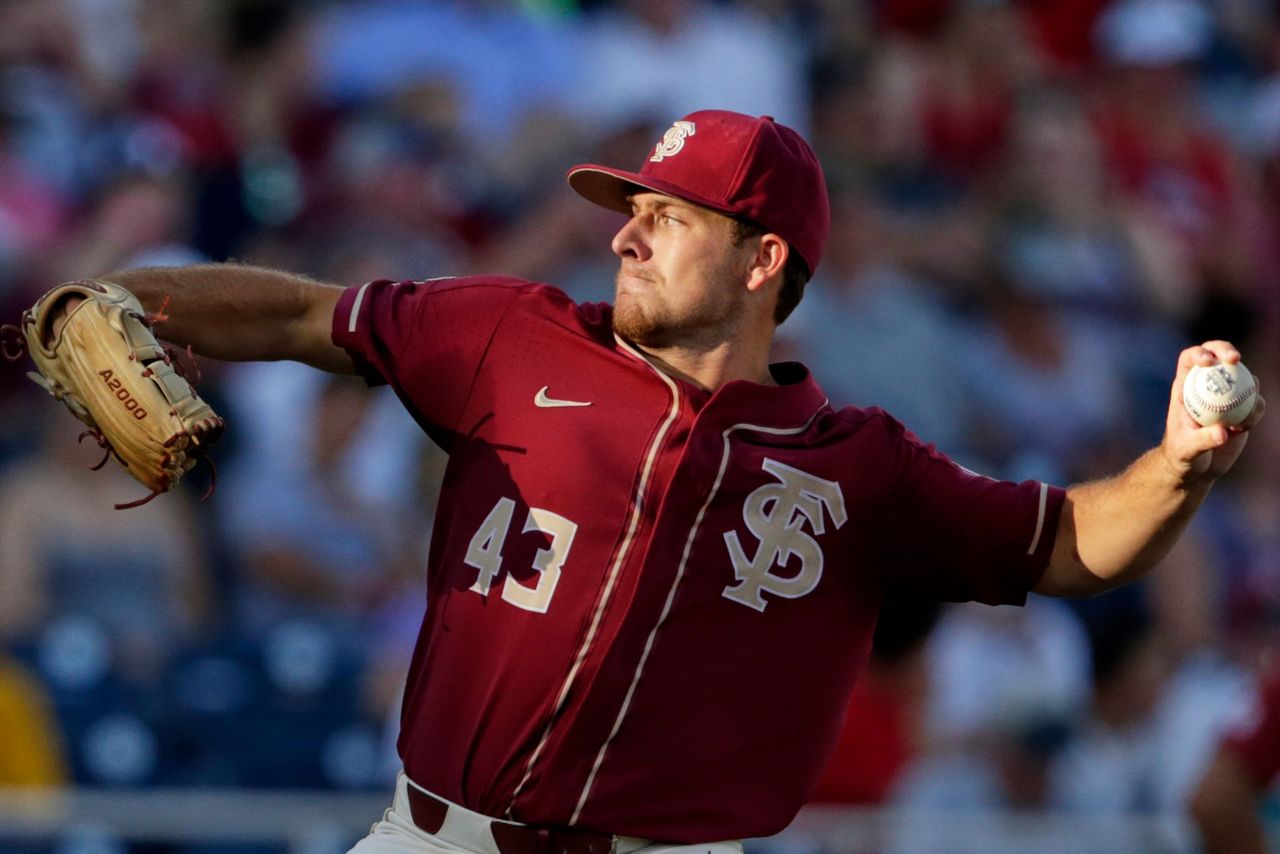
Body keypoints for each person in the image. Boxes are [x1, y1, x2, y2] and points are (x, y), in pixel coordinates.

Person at [41, 109, 1265, 853]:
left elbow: (1061, 545)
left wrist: (1178, 465)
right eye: (629, 207)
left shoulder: (854, 464)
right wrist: (125, 298)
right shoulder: (511, 334)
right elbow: (308, 312)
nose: (623, 231)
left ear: (760, 259)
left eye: (667, 216)